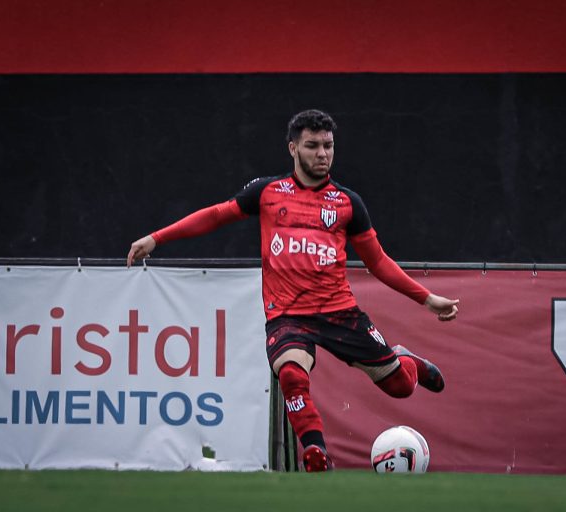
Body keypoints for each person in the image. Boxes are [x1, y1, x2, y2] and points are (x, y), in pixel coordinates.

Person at [127, 109, 459, 472]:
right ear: (293, 149)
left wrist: (427, 298)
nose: (322, 154)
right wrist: (157, 238)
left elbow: (377, 262)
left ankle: (407, 361)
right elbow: (217, 215)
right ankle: (315, 452)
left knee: (399, 387)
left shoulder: (348, 203)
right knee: (290, 373)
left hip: (340, 313)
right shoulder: (268, 192)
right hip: (287, 315)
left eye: (328, 146)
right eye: (313, 146)